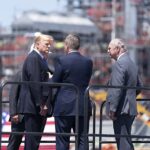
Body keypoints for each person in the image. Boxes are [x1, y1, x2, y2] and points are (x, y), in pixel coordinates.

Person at [51, 34, 93, 150]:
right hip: (83, 105)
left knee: (62, 139)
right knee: (82, 139)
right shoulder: (88, 62)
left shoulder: (62, 60)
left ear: (67, 46)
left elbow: (55, 81)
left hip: (64, 106)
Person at [17, 33, 54, 150]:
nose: (49, 47)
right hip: (33, 106)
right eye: (46, 44)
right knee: (32, 140)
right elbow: (35, 83)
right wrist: (41, 104)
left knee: (34, 140)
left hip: (35, 105)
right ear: (37, 45)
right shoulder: (34, 58)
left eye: (50, 45)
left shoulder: (40, 59)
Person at [105, 38, 142, 150]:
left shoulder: (119, 64)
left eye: (109, 48)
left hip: (121, 109)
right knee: (126, 139)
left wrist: (112, 109)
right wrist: (130, 97)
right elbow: (139, 86)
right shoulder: (131, 63)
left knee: (122, 142)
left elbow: (117, 88)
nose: (107, 51)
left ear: (117, 49)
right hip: (129, 108)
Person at [7, 70, 25, 150]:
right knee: (14, 142)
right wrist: (13, 113)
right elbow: (13, 94)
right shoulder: (20, 74)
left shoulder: (42, 73)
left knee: (32, 142)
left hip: (33, 114)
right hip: (19, 115)